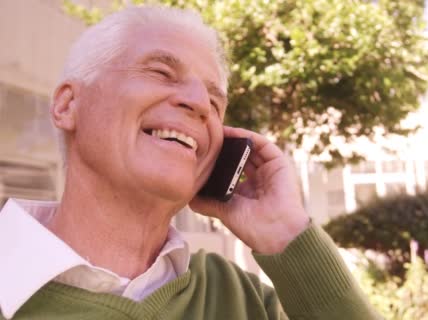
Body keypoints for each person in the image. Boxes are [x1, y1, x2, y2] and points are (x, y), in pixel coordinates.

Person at [0, 5, 380, 320]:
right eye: (161, 72)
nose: (199, 105)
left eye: (215, 103)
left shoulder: (244, 302)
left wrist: (285, 234)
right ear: (68, 105)